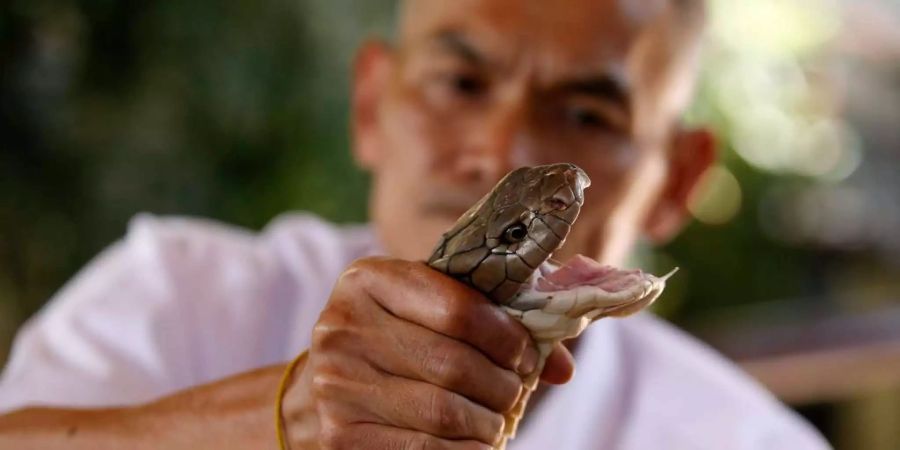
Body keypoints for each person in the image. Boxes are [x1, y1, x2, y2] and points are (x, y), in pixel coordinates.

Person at [0, 0, 830, 448]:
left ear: (675, 180)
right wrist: (292, 416)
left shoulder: (736, 437)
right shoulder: (177, 293)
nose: (501, 152)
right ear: (370, 106)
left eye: (585, 113)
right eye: (462, 84)